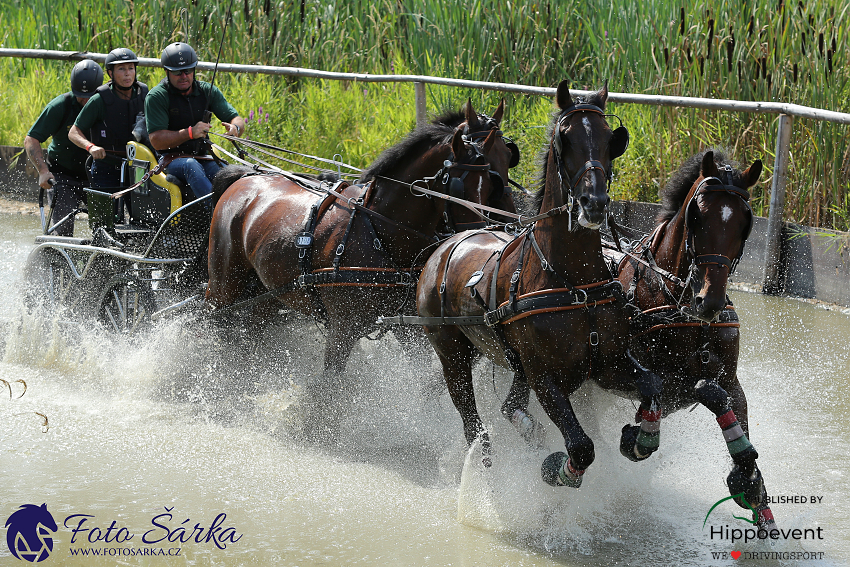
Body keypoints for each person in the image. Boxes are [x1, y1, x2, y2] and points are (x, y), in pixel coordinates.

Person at [144, 42, 245, 199]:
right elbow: (156, 140)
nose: (184, 76)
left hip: (203, 156)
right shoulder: (157, 97)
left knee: (231, 174)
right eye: (178, 72)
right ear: (167, 72)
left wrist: (235, 128)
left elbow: (236, 118)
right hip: (172, 160)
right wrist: (189, 133)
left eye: (188, 71)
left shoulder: (207, 91)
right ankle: (214, 214)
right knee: (191, 166)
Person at [24, 59, 103, 236]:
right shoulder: (61, 106)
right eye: (80, 95)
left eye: (89, 95)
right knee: (63, 229)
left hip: (97, 176)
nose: (84, 100)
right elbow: (32, 139)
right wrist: (43, 170)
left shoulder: (107, 104)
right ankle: (57, 258)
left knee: (107, 228)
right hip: (63, 175)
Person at [69, 47, 148, 190]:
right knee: (106, 212)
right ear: (110, 73)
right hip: (106, 166)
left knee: (141, 211)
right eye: (121, 69)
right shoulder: (99, 100)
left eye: (131, 68)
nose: (127, 74)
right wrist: (91, 147)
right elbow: (73, 132)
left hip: (138, 166)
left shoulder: (145, 95)